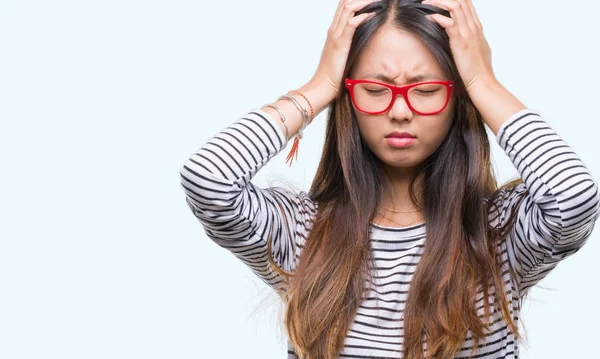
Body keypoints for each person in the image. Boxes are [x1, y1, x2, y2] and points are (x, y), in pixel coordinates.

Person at [179, 0, 600, 358]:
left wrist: (483, 82)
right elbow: (208, 180)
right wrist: (320, 85)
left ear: (458, 98)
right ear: (348, 98)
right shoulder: (302, 232)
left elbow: (574, 197)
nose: (400, 110)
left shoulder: (499, 235)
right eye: (376, 89)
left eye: (427, 89)